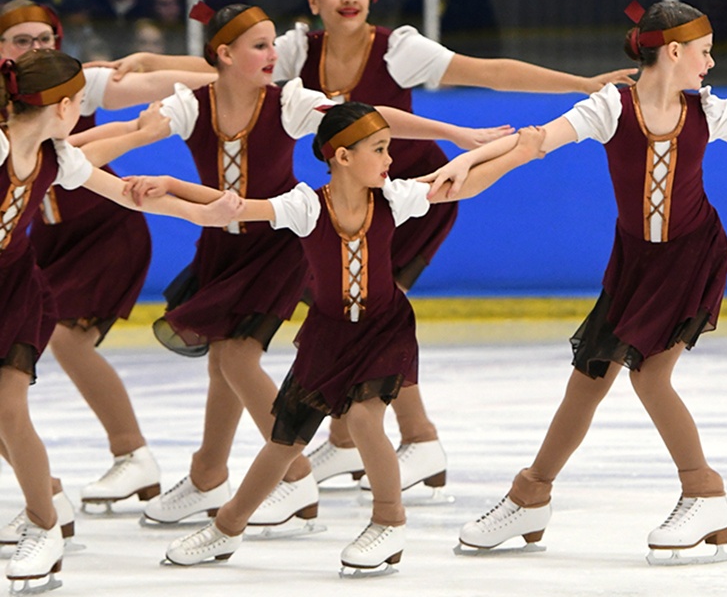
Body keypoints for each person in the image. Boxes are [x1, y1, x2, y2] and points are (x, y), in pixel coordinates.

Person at [425, 0, 727, 564]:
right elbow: (533, 140)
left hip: (691, 256)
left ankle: (704, 490)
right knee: (589, 376)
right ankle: (531, 495)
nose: (710, 63)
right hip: (635, 263)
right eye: (705, 51)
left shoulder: (707, 113)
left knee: (649, 376)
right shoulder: (610, 108)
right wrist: (465, 168)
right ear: (674, 51)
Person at [130, 2, 509, 532]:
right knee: (225, 362)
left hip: (276, 246)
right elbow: (216, 188)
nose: (272, 54)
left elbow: (374, 121)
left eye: (271, 43)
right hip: (231, 244)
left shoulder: (300, 106)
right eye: (259, 46)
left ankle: (302, 478)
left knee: (239, 359)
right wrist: (66, 157)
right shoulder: (217, 98)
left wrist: (465, 137)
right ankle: (211, 472)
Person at [120, 101, 545, 572]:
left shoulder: (394, 197)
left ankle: (388, 522)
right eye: (380, 149)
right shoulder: (305, 206)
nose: (390, 159)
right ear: (343, 156)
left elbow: (458, 184)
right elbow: (233, 207)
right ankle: (226, 527)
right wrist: (172, 186)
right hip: (328, 336)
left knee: (364, 419)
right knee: (285, 439)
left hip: (384, 329)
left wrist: (520, 153)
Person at [272, 0, 638, 496]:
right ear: (313, 2)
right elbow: (224, 71)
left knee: (362, 314)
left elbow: (488, 71)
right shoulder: (296, 51)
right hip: (352, 202)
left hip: (414, 194)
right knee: (349, 313)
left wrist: (581, 83)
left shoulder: (398, 49)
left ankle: (404, 441)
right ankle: (374, 440)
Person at [0, 47, 240, 593]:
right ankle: (48, 503)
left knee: (8, 407)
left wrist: (203, 213)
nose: (83, 111)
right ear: (64, 106)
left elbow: (130, 196)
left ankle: (44, 526)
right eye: (80, 102)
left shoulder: (55, 158)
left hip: (14, 289)